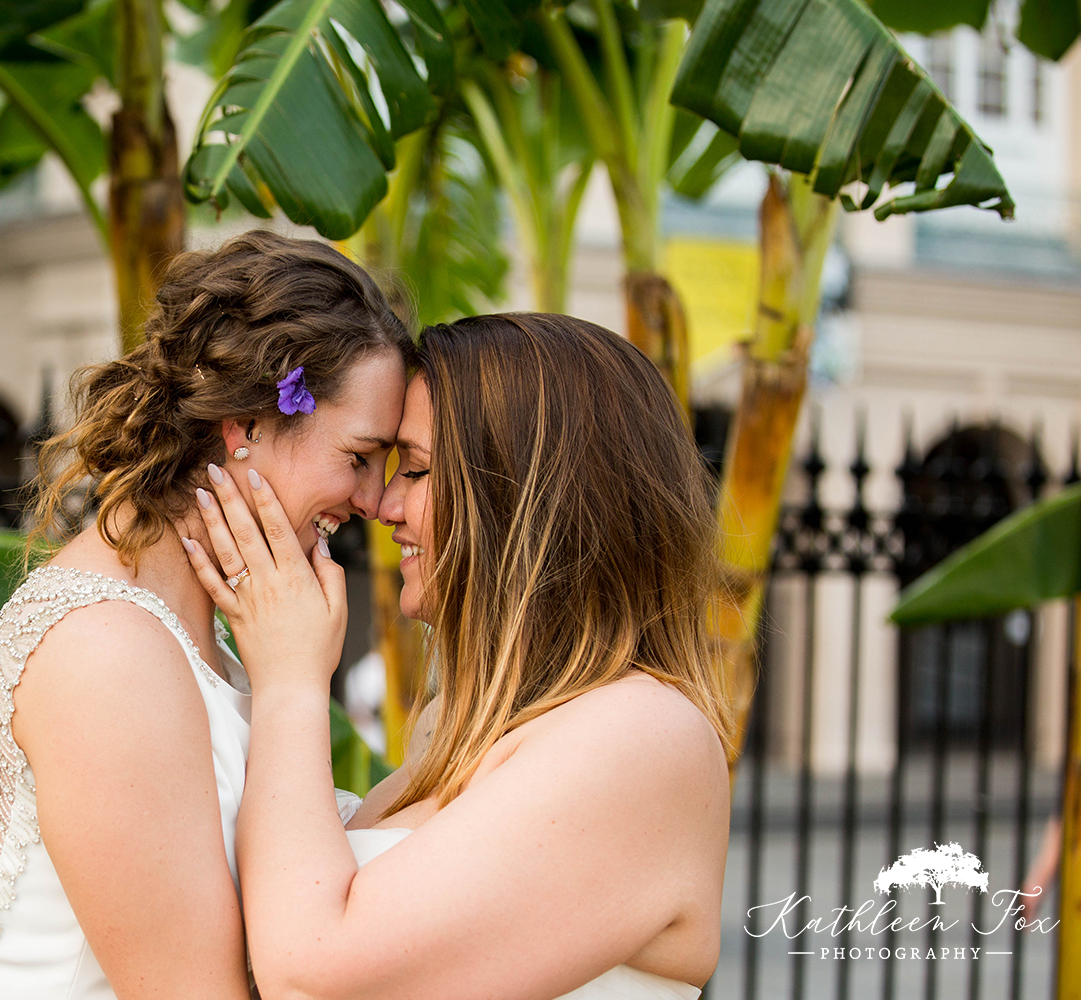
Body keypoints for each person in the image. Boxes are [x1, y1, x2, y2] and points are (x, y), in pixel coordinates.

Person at [185, 313, 736, 1000]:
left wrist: (292, 682)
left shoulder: (645, 737)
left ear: (526, 497)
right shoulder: (458, 727)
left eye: (415, 469)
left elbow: (308, 975)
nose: (383, 505)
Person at [0, 230, 414, 1000]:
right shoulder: (107, 653)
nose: (372, 501)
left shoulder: (196, 638)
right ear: (249, 425)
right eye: (358, 457)